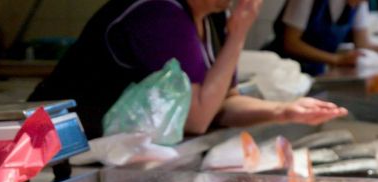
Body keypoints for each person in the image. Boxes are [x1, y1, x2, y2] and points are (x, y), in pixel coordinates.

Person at [28, 0, 347, 139]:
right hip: (63, 155)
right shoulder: (158, 13)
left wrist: (283, 111)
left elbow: (224, 103)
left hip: (122, 156)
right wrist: (239, 34)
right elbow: (197, 118)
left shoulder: (214, 17)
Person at [265, 0, 378, 76]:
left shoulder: (358, 4)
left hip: (313, 72)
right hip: (281, 71)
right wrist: (337, 59)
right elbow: (290, 43)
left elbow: (362, 42)